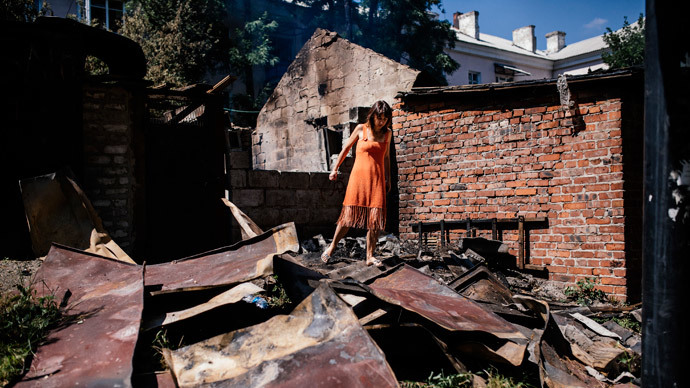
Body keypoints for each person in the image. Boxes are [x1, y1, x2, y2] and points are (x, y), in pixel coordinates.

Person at [321, 100, 393, 267]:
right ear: (373, 116)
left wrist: (388, 178)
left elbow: (387, 157)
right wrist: (335, 169)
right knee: (347, 217)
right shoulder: (362, 129)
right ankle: (331, 248)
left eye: (385, 119)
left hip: (377, 180)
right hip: (358, 179)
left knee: (375, 219)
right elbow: (346, 149)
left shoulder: (387, 133)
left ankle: (369, 256)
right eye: (379, 118)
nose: (382, 121)